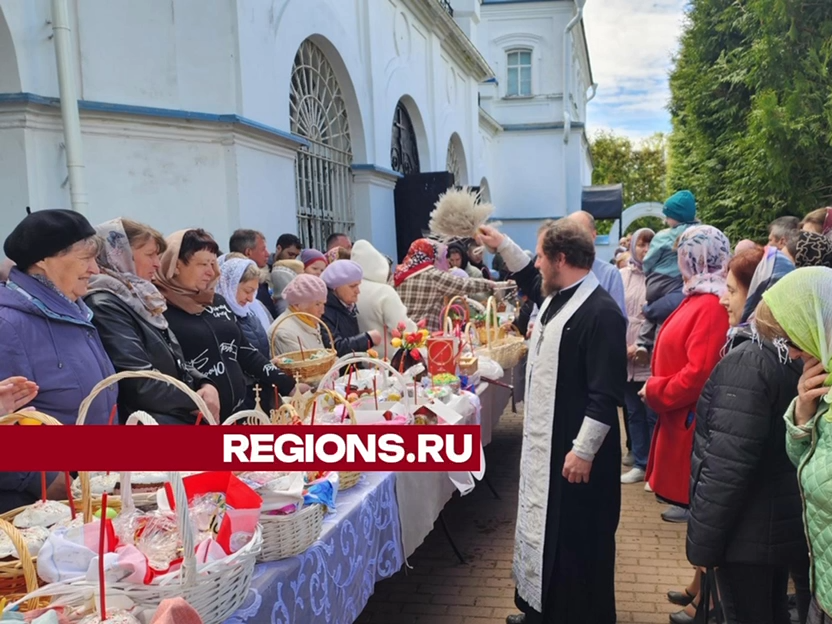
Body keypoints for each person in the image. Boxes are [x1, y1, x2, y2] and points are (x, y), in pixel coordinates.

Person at [478, 220, 626, 624]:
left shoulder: (602, 313)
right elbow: (528, 275)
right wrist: (501, 243)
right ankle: (539, 608)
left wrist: (583, 451)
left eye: (542, 255)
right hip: (548, 445)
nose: (537, 263)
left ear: (562, 259)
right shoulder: (558, 294)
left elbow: (605, 393)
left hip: (576, 454)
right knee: (546, 532)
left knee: (576, 540)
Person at [685, 245, 808, 624]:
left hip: (745, 536)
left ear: (760, 297)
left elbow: (727, 467)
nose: (724, 299)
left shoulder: (749, 360)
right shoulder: (788, 354)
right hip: (769, 532)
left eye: (734, 290)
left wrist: (703, 547)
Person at [0, 209, 117, 512]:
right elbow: (8, 420)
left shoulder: (76, 313)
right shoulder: (8, 325)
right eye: (84, 258)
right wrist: (45, 479)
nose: (95, 269)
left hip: (92, 487)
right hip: (42, 506)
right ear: (43, 260)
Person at [85, 218, 221, 424]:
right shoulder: (105, 304)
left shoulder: (139, 297)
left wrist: (205, 383)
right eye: (150, 255)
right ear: (119, 254)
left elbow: (172, 357)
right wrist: (194, 399)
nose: (157, 263)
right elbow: (137, 380)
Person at [755, 267, 832, 624]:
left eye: (793, 341)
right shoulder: (823, 386)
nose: (794, 355)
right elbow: (805, 465)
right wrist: (803, 415)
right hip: (823, 585)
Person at [155, 229, 295, 420]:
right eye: (203, 264)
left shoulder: (216, 301)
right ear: (176, 265)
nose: (211, 272)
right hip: (194, 420)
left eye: (213, 263)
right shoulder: (158, 310)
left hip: (238, 417)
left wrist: (289, 384)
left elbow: (245, 352)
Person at [643, 225, 731, 524]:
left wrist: (656, 390)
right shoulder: (699, 296)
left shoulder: (708, 304)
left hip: (688, 415)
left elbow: (699, 373)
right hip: (681, 413)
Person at [633, 191, 700, 364]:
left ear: (674, 216)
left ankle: (642, 343)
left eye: (668, 216)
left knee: (654, 308)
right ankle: (656, 348)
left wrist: (649, 272)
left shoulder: (663, 235)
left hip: (657, 280)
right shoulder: (698, 233)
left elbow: (649, 260)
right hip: (675, 281)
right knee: (664, 314)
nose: (666, 220)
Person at [395, 238, 511, 332]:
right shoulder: (431, 274)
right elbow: (463, 284)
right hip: (424, 337)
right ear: (432, 255)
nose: (447, 262)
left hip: (401, 336)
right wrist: (493, 284)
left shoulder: (398, 275)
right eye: (444, 257)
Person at [619, 228, 657, 485]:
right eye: (640, 244)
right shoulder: (621, 275)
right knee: (633, 412)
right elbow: (614, 309)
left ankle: (656, 468)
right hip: (624, 354)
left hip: (648, 354)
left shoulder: (660, 276)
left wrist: (641, 345)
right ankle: (641, 462)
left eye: (648, 245)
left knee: (652, 413)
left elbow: (657, 317)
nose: (644, 249)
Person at [351, 240, 415, 358]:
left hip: (360, 360)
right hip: (389, 362)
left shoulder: (349, 290)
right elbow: (402, 328)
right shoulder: (384, 292)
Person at [565, 212, 627, 316]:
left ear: (593, 236)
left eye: (580, 234)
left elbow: (618, 320)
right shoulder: (558, 271)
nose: (574, 240)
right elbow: (538, 311)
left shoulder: (610, 274)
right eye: (569, 235)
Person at [320, 260, 381, 356]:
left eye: (358, 285)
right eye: (352, 286)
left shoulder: (346, 305)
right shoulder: (323, 311)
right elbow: (334, 348)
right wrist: (367, 338)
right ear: (335, 287)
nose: (358, 291)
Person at [216, 254, 271, 358]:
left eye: (254, 292)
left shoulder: (249, 315)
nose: (250, 299)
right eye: (247, 291)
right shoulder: (219, 320)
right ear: (229, 286)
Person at [269, 274, 328, 355]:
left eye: (323, 303)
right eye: (317, 304)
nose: (322, 311)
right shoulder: (284, 333)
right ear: (297, 305)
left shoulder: (309, 321)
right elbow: (306, 365)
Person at [229, 229, 275, 318]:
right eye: (263, 250)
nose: (267, 254)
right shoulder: (235, 283)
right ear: (248, 252)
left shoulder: (260, 278)